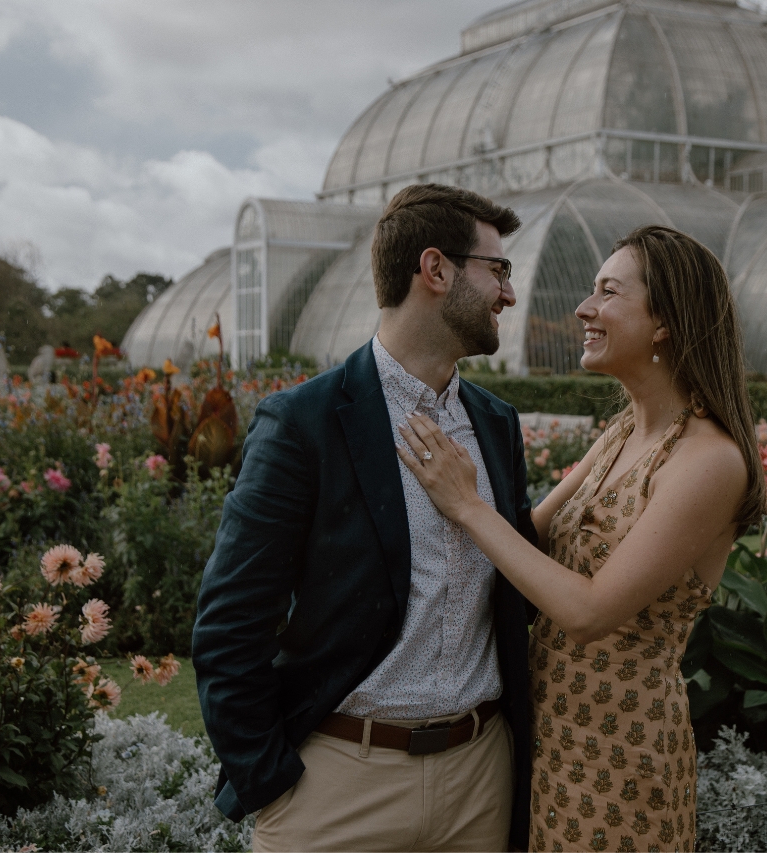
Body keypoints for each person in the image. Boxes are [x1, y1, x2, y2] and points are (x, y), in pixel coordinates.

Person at [397, 225, 767, 853]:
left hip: (619, 761)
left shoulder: (710, 461)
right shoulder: (622, 433)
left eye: (609, 292)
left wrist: (465, 504)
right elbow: (528, 543)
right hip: (546, 736)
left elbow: (588, 612)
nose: (584, 308)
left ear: (665, 322)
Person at [193, 183, 538, 852]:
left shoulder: (496, 424)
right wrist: (271, 779)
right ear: (435, 270)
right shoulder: (303, 423)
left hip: (481, 780)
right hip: (342, 786)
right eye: (497, 270)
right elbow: (230, 623)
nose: (509, 294)